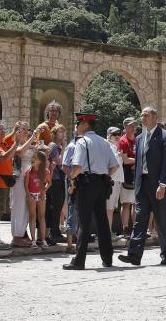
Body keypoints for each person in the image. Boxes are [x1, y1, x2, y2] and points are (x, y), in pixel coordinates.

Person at [119, 106, 166, 267]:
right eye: (141, 115)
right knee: (140, 220)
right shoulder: (140, 138)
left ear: (154, 117)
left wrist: (162, 184)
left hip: (158, 184)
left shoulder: (165, 136)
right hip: (142, 184)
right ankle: (134, 255)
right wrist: (136, 185)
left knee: (162, 220)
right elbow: (138, 162)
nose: (142, 118)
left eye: (146, 115)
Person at [65, 112, 119, 270]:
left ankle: (79, 261)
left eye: (78, 124)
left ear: (85, 125)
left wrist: (71, 179)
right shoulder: (104, 142)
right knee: (102, 222)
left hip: (86, 185)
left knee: (84, 222)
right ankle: (107, 258)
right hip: (101, 185)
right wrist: (103, 176)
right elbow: (114, 165)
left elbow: (77, 167)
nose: (76, 127)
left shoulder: (83, 142)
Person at [0, 121, 32, 250]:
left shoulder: (2, 143)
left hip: (4, 182)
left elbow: (10, 138)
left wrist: (15, 132)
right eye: (0, 130)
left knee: (0, 211)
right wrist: (17, 142)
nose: (3, 132)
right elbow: (5, 157)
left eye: (3, 130)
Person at [116, 117, 137, 239]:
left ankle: (136, 228)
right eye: (130, 126)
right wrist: (138, 161)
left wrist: (136, 162)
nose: (133, 128)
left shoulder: (138, 140)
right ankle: (125, 228)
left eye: (134, 125)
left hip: (137, 175)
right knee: (126, 203)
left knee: (136, 203)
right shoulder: (123, 141)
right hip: (127, 175)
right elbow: (125, 160)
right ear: (125, 127)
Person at [47, 125, 68, 244]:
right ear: (54, 133)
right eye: (60, 132)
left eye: (63, 132)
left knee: (59, 206)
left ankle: (56, 231)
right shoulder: (53, 146)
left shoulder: (59, 146)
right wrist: (64, 147)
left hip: (60, 178)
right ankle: (54, 232)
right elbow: (59, 161)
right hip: (54, 179)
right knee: (55, 206)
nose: (63, 134)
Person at [25, 150, 50, 247]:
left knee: (42, 217)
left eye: (35, 157)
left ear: (40, 160)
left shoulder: (45, 171)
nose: (33, 158)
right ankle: (33, 240)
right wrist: (29, 195)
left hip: (41, 195)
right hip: (32, 194)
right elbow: (26, 185)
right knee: (32, 216)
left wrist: (44, 190)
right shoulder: (29, 171)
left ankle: (43, 239)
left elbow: (49, 182)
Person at [105, 127, 125, 231]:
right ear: (109, 136)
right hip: (111, 180)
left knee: (111, 208)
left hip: (117, 180)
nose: (117, 136)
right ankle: (107, 233)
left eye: (119, 134)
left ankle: (109, 231)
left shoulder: (115, 147)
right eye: (114, 134)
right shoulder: (108, 147)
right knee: (108, 208)